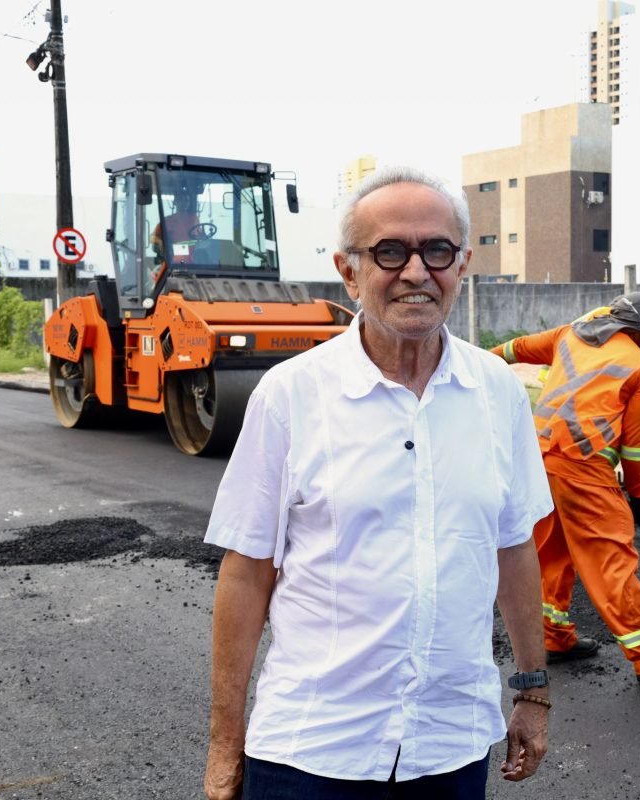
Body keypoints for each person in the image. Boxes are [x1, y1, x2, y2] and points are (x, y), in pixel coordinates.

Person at [202, 166, 554, 800]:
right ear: (348, 270)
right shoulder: (291, 394)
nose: (416, 272)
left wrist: (533, 691)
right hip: (313, 753)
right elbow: (247, 570)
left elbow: (513, 546)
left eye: (437, 250)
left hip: (449, 748)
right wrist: (226, 746)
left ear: (463, 264)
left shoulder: (497, 392)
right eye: (390, 251)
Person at [491, 293, 640, 686]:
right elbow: (636, 446)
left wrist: (472, 370)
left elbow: (512, 350)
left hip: (537, 463)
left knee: (550, 553)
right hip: (583, 470)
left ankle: (552, 636)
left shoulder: (568, 335)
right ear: (639, 326)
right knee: (609, 561)